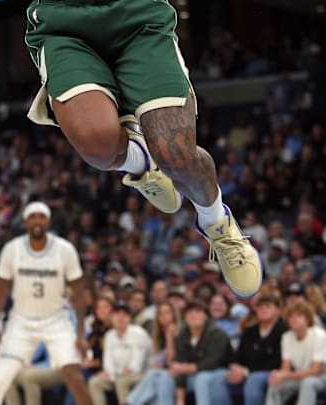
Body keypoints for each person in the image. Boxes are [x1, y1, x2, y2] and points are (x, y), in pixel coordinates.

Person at [23, 0, 262, 298]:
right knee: (98, 147)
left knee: (176, 155)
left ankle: (216, 222)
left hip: (138, 15)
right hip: (64, 24)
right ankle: (141, 164)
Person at [0, 201, 91, 405]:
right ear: (25, 222)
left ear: (48, 222)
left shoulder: (65, 250)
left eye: (41, 217)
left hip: (56, 320)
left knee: (74, 375)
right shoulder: (12, 249)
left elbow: (78, 294)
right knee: (0, 378)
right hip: (21, 321)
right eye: (33, 217)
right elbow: (0, 291)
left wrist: (81, 334)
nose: (37, 221)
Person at [209, 294, 287, 405]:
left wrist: (246, 372)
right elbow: (237, 354)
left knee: (254, 380)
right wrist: (234, 366)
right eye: (260, 307)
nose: (263, 309)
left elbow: (277, 362)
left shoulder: (284, 332)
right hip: (245, 373)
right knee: (218, 377)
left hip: (269, 373)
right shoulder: (250, 331)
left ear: (277, 310)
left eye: (268, 306)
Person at [88, 301, 151, 405]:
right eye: (117, 314)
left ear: (130, 318)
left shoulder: (139, 334)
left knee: (122, 381)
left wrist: (114, 373)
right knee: (94, 382)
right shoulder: (109, 335)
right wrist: (114, 373)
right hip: (118, 375)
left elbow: (136, 367)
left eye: (125, 314)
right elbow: (107, 364)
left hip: (142, 374)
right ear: (111, 317)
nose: (120, 317)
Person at [265, 301, 326, 405]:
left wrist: (285, 375)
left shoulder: (320, 335)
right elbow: (285, 369)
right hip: (300, 376)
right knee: (275, 382)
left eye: (299, 315)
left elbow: (315, 370)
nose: (294, 319)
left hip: (321, 377)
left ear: (307, 319)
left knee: (308, 382)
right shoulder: (286, 337)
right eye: (291, 316)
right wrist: (279, 375)